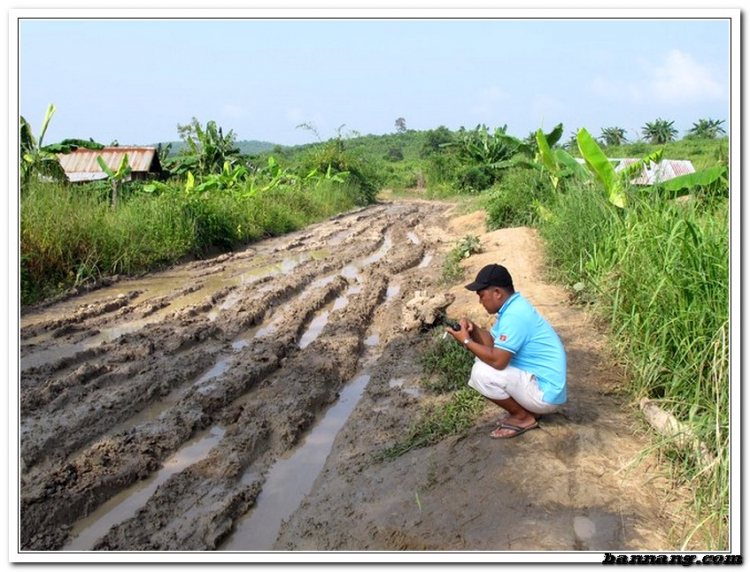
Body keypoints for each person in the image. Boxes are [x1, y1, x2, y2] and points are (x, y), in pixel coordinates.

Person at [446, 263, 567, 439]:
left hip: (546, 394)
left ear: (497, 293)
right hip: (545, 386)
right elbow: (493, 342)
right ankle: (527, 411)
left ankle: (523, 417)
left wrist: (466, 340)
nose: (480, 302)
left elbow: (498, 361)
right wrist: (474, 329)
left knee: (481, 372)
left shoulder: (514, 316)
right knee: (482, 361)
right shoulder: (513, 308)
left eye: (481, 296)